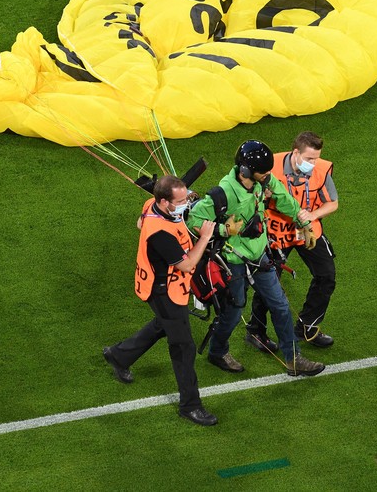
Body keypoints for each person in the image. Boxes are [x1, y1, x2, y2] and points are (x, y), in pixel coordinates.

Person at [186, 140, 325, 377]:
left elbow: (283, 198)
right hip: (233, 260)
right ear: (247, 171)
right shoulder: (224, 193)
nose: (269, 177)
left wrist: (304, 222)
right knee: (233, 309)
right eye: (264, 172)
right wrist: (224, 231)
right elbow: (194, 220)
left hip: (260, 255)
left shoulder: (264, 181)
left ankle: (293, 359)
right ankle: (217, 351)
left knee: (280, 305)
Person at [103, 175, 218, 426]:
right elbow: (187, 265)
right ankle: (190, 406)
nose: (186, 204)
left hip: (160, 284)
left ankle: (119, 355)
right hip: (164, 292)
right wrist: (205, 237)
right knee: (183, 346)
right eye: (180, 201)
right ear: (165, 202)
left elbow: (138, 222)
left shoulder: (150, 206)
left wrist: (185, 200)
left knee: (163, 325)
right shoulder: (160, 235)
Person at [246, 132, 339, 351]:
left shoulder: (321, 170)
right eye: (309, 159)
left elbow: (332, 203)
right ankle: (256, 332)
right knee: (269, 283)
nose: (313, 164)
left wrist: (313, 216)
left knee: (326, 275)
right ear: (295, 152)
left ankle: (307, 326)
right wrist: (263, 197)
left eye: (316, 158)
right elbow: (249, 199)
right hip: (276, 231)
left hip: (307, 230)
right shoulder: (270, 166)